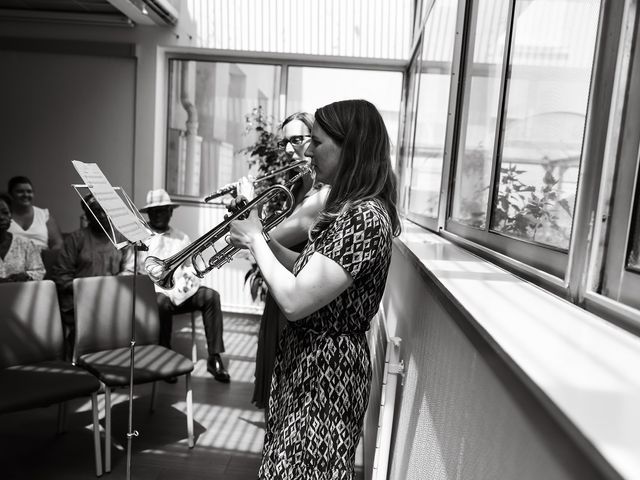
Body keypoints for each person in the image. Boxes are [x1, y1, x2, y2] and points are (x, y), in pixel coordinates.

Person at [229, 99, 401, 478]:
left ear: (350, 149)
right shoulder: (349, 208)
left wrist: (258, 237)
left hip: (327, 373)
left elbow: (294, 300)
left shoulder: (365, 218)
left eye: (318, 142)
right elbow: (310, 273)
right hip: (307, 361)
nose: (308, 150)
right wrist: (265, 244)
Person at [249, 112, 330, 411]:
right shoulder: (299, 181)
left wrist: (250, 213)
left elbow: (279, 235)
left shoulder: (323, 190)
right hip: (284, 274)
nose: (288, 149)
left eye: (297, 140)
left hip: (296, 282)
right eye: (285, 142)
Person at [126, 188, 230, 383]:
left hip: (181, 293)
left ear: (171, 212)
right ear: (148, 214)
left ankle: (214, 357)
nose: (158, 214)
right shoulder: (139, 238)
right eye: (154, 211)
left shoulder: (181, 238)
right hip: (153, 296)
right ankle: (165, 357)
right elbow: (128, 271)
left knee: (211, 296)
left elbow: (192, 268)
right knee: (162, 302)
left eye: (163, 210)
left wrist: (187, 285)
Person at [52, 194, 127, 359]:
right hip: (79, 302)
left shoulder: (121, 238)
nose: (101, 215)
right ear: (87, 215)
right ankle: (84, 364)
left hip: (111, 300)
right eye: (95, 211)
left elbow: (128, 271)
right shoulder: (76, 239)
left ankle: (111, 365)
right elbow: (61, 275)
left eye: (105, 210)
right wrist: (86, 290)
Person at [8, 175, 64, 255]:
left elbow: (58, 244)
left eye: (29, 191)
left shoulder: (44, 215)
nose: (26, 195)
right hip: (10, 262)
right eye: (20, 191)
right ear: (10, 194)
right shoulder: (4, 216)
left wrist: (49, 258)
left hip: (41, 262)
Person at [0, 192, 46, 283]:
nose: (1, 217)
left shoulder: (25, 244)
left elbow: (39, 271)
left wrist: (26, 276)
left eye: (5, 213)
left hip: (21, 293)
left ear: (11, 215)